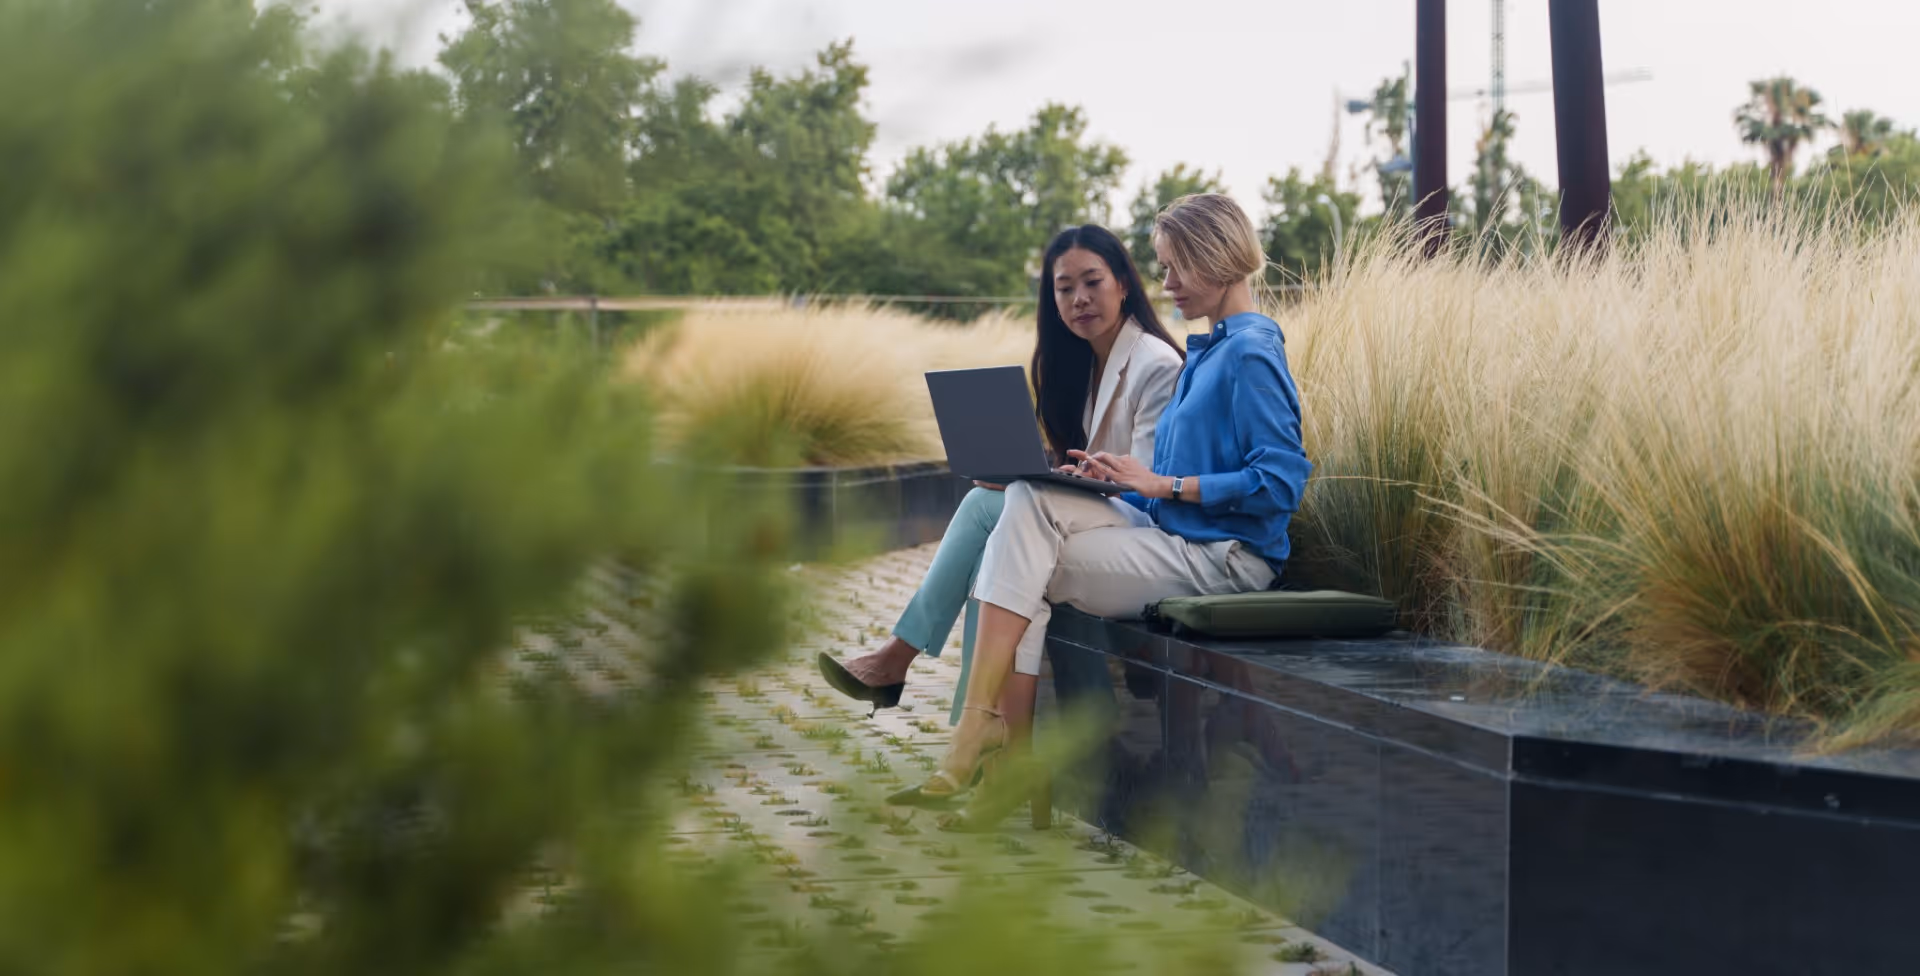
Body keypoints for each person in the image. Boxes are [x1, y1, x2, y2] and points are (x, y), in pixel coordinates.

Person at [887, 193, 1312, 816]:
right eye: (1162, 266)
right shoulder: (1212, 348)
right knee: (1025, 514)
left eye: (1174, 267)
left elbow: (1279, 483)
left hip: (1228, 558)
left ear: (1217, 259)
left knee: (1016, 563)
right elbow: (1180, 470)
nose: (1163, 284)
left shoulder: (1250, 352)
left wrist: (1162, 485)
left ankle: (994, 746)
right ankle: (985, 732)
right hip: (1180, 540)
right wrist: (1114, 473)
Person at [816, 224, 1184, 748]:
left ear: (1124, 283)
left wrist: (1056, 481)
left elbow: (1143, 480)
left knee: (992, 511)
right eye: (1063, 288)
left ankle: (903, 665)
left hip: (1142, 529)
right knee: (995, 516)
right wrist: (1035, 474)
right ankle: (972, 728)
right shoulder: (1081, 365)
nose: (1079, 298)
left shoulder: (1156, 364)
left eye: (1092, 282)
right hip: (1088, 515)